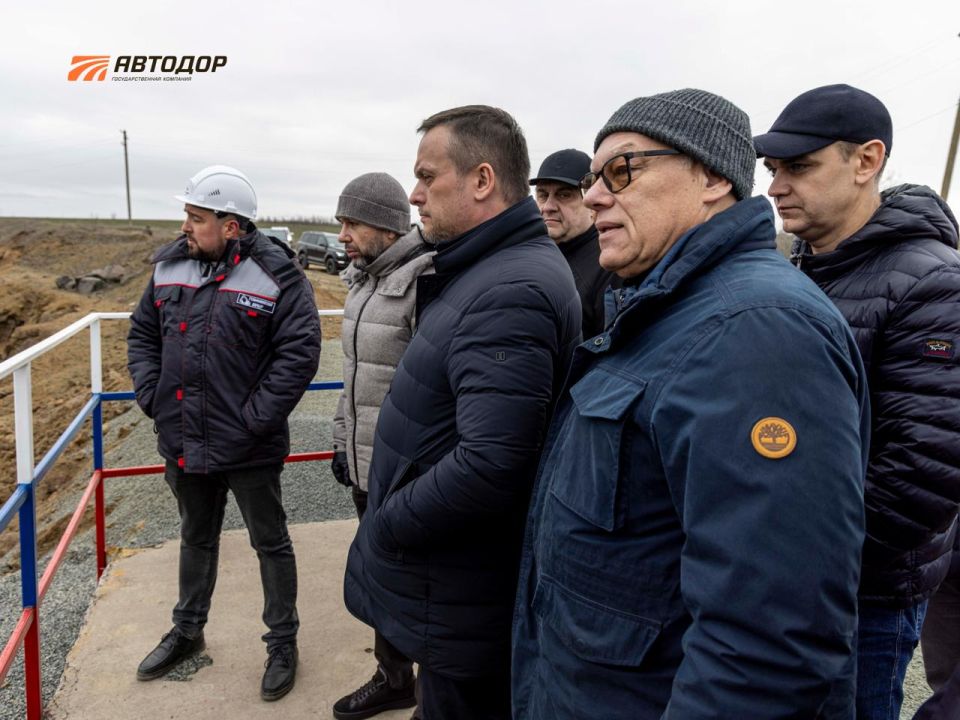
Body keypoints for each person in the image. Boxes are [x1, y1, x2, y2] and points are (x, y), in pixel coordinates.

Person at [512, 89, 871, 719]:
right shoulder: (666, 311)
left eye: (621, 170)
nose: (594, 196)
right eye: (594, 179)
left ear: (711, 178)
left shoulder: (758, 332)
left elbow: (768, 643)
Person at [343, 105, 580, 720]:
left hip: (463, 590)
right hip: (453, 582)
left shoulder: (510, 288)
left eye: (427, 176)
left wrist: (387, 523)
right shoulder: (487, 269)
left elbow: (492, 463)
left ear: (481, 180)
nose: (414, 195)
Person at [755, 83, 960, 720]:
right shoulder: (798, 268)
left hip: (862, 597)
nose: (776, 187)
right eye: (773, 169)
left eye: (799, 166)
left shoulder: (933, 282)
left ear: (866, 161)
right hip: (785, 579)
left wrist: (792, 555)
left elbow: (924, 473)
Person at [127, 165, 321, 701]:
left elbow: (300, 352)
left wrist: (255, 419)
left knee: (270, 543)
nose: (185, 226)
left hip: (249, 444)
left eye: (196, 217)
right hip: (184, 436)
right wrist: (152, 395)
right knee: (196, 536)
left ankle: (282, 643)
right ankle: (187, 631)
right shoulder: (169, 267)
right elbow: (142, 334)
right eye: (186, 215)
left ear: (230, 226)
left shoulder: (277, 275)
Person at [328, 172, 434, 720]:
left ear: (389, 226)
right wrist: (341, 441)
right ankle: (394, 678)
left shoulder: (424, 281)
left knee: (415, 584)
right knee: (379, 579)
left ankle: (431, 689)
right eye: (340, 222)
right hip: (364, 461)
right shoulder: (363, 282)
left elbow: (431, 389)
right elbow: (353, 376)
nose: (342, 235)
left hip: (402, 470)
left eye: (353, 223)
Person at [530, 149, 619, 337]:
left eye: (564, 195)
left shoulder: (609, 263)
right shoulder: (530, 256)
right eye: (543, 195)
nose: (548, 207)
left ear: (591, 201)